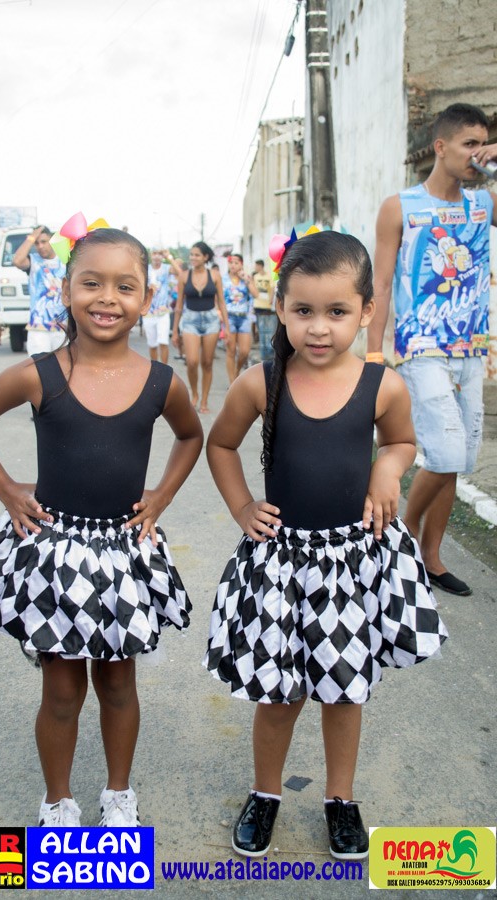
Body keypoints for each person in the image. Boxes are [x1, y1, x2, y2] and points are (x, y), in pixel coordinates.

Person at [0, 221, 203, 829]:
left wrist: (161, 497)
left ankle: (118, 795)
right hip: (56, 555)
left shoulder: (160, 382)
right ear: (65, 290)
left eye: (125, 286)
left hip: (122, 554)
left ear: (147, 298)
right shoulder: (39, 374)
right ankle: (57, 802)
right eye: (91, 283)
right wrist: (8, 489)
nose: (107, 298)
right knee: (62, 691)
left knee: (117, 685)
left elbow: (192, 436)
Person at [203, 230, 447, 860]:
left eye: (337, 311)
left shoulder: (381, 385)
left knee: (344, 690)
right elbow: (220, 444)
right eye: (303, 310)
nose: (318, 328)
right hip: (280, 563)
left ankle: (341, 799)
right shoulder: (261, 383)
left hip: (351, 564)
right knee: (279, 693)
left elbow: (401, 442)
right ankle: (266, 793)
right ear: (280, 309)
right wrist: (242, 506)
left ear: (366, 311)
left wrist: (388, 469)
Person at [368, 103, 497, 597]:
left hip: (471, 349)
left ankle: (431, 556)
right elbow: (380, 283)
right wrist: (373, 356)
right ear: (440, 147)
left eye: (483, 143)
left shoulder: (484, 204)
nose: (477, 154)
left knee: (459, 458)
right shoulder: (401, 206)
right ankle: (401, 531)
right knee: (443, 453)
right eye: (469, 144)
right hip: (421, 348)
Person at [172, 241, 230, 414]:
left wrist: (226, 327)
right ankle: (195, 394)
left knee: (207, 362)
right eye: (191, 254)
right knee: (192, 362)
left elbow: (222, 302)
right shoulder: (184, 276)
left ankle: (204, 399)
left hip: (211, 321)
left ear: (205, 257)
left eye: (196, 255)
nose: (193, 257)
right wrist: (175, 331)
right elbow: (179, 305)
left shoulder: (215, 275)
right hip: (190, 321)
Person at [13, 225, 67, 356]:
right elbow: (17, 261)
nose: (40, 246)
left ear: (52, 241)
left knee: (63, 366)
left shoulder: (65, 260)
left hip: (62, 327)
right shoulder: (33, 261)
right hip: (38, 328)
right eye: (36, 243)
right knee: (39, 365)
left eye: (44, 242)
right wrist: (32, 237)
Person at [223, 253, 258, 383]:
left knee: (244, 351)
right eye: (231, 262)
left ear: (241, 265)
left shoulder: (246, 278)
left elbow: (256, 294)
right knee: (231, 351)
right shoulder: (223, 279)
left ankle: (237, 370)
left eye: (236, 263)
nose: (233, 265)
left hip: (244, 318)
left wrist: (246, 280)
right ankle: (232, 381)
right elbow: (218, 298)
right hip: (229, 317)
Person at [144, 250, 183, 364]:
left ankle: (164, 369)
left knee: (163, 342)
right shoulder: (145, 269)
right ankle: (155, 369)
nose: (157, 256)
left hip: (163, 313)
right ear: (151, 255)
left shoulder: (166, 268)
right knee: (152, 345)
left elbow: (181, 274)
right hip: (148, 313)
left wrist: (169, 257)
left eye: (159, 254)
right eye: (154, 253)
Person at [252, 258, 275, 362]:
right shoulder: (255, 277)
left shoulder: (269, 276)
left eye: (256, 265)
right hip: (258, 305)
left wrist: (271, 300)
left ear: (260, 266)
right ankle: (264, 354)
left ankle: (269, 353)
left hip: (267, 306)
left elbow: (272, 288)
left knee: (268, 330)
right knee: (260, 329)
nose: (255, 267)